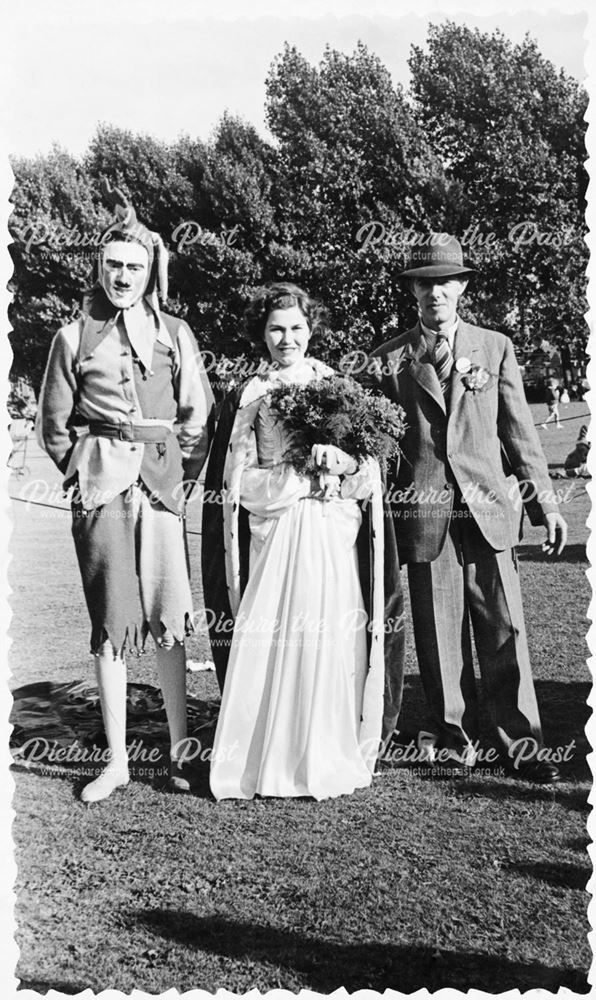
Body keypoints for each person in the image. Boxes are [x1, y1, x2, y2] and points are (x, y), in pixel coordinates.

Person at [36, 183, 215, 802]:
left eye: (135, 267)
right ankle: (116, 764)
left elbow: (198, 416)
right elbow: (53, 426)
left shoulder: (176, 334)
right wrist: (86, 472)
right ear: (100, 266)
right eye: (114, 264)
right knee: (112, 627)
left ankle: (179, 754)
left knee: (171, 624)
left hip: (161, 489)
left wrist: (175, 473)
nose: (123, 276)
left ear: (150, 272)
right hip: (102, 490)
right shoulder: (72, 337)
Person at [367, 234, 567, 783]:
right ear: (414, 291)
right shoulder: (389, 359)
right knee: (438, 635)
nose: (436, 293)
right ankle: (455, 738)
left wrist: (544, 502)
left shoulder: (494, 347)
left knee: (504, 629)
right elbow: (376, 446)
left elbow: (520, 432)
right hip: (424, 515)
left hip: (489, 510)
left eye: (445, 282)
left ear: (462, 287)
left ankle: (521, 744)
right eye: (425, 283)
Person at [201, 282, 404, 800]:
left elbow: (369, 479)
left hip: (331, 538)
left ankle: (323, 748)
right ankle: (269, 755)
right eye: (276, 328)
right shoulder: (248, 396)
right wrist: (296, 481)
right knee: (273, 635)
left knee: (330, 638)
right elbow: (236, 482)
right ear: (262, 334)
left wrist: (345, 465)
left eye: (296, 327)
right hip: (278, 536)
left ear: (311, 330)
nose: (286, 338)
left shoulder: (338, 386)